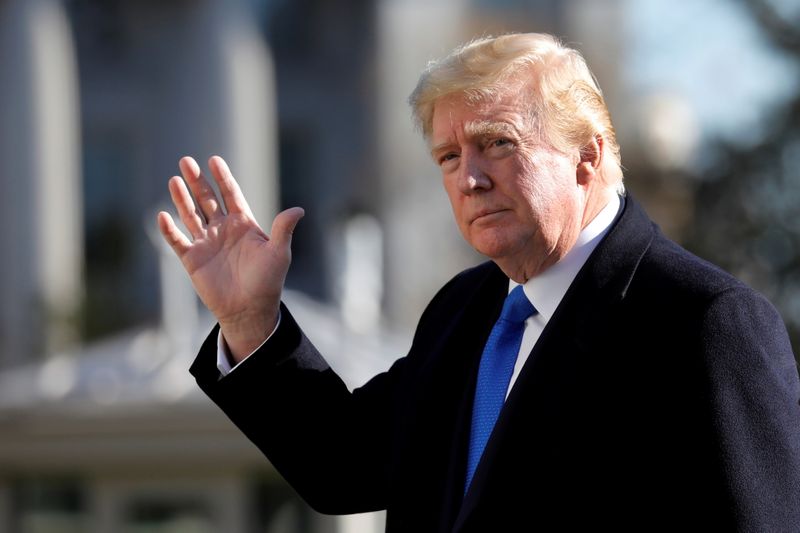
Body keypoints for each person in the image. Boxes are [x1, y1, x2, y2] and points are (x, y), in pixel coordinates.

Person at [157, 33, 800, 531]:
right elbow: (344, 466)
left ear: (588, 154)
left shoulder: (703, 322)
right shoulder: (465, 310)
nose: (469, 179)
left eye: (497, 144)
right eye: (448, 157)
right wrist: (249, 321)